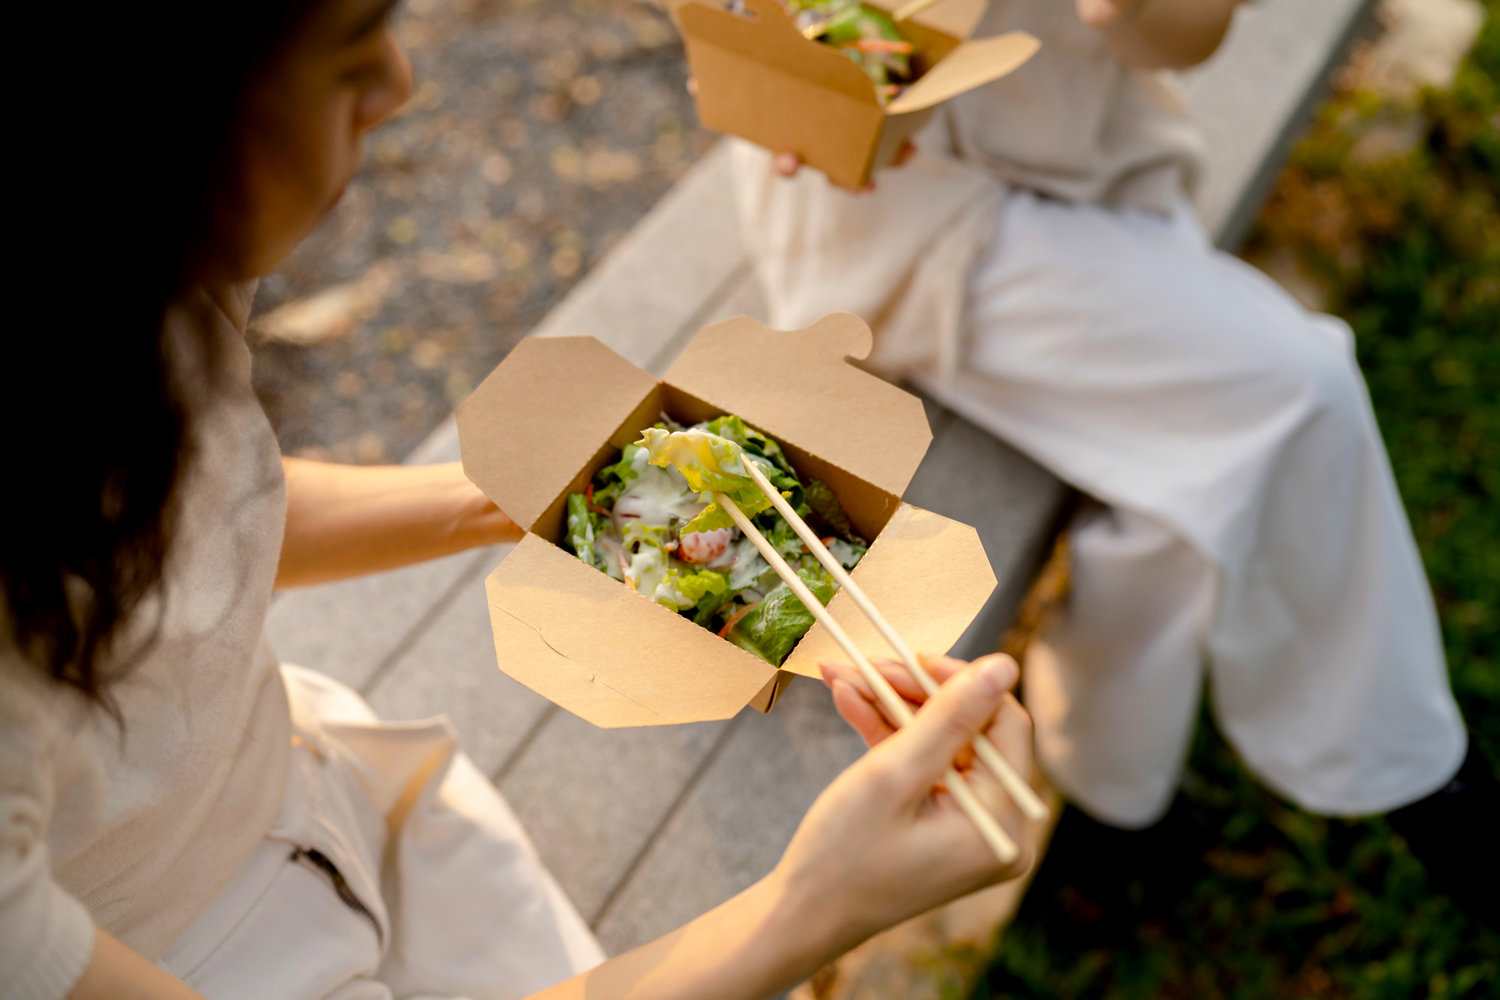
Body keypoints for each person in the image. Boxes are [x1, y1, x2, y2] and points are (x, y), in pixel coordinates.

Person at [0, 1, 1039, 998]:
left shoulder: (131, 279)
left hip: (318, 786)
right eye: (355, 52)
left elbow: (192, 521)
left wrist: (549, 493)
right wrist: (811, 908)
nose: (400, 85)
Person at [731, 0, 1495, 918]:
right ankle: (1419, 782)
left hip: (1095, 149)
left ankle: (1112, 800)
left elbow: (1185, 35)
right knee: (1294, 394)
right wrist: (780, 67)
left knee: (1190, 461)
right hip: (891, 208)